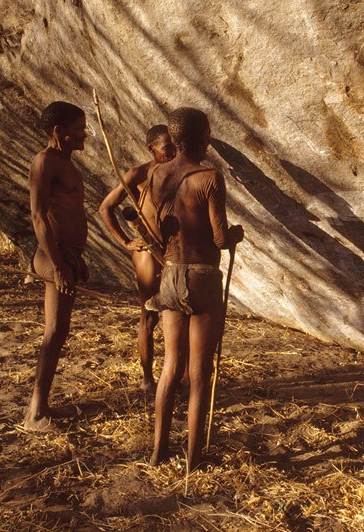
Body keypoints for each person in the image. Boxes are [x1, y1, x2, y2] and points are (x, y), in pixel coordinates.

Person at [145, 107, 243, 468]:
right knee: (200, 373)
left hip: (170, 275)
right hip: (202, 277)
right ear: (201, 137)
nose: (209, 140)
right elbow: (219, 239)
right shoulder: (209, 177)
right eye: (208, 134)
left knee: (171, 366)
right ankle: (193, 455)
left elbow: (155, 229)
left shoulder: (157, 174)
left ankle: (158, 450)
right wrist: (235, 236)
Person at [25, 101, 89, 431]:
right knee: (54, 332)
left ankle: (41, 407)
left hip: (66, 254)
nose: (84, 135)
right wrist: (59, 264)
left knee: (59, 331)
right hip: (54, 256)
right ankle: (36, 413)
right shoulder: (44, 161)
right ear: (59, 132)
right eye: (79, 130)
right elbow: (38, 216)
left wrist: (73, 259)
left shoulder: (64, 162)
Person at [98, 125, 177, 394]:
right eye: (167, 148)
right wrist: (126, 241)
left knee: (180, 314)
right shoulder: (138, 174)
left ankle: (177, 376)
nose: (172, 153)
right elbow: (106, 207)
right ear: (152, 149)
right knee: (149, 317)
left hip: (175, 251)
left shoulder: (179, 171)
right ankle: (147, 379)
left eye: (175, 147)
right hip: (148, 252)